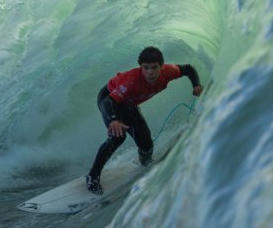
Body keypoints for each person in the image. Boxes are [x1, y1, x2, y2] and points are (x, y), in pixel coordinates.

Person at [85, 46, 203, 194]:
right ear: (141, 67)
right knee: (117, 137)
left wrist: (196, 85)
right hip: (110, 101)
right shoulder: (131, 81)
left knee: (146, 143)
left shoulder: (169, 72)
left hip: (128, 104)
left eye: (154, 67)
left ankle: (145, 165)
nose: (150, 72)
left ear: (161, 66)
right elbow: (109, 102)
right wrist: (114, 120)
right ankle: (92, 177)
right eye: (145, 68)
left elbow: (188, 69)